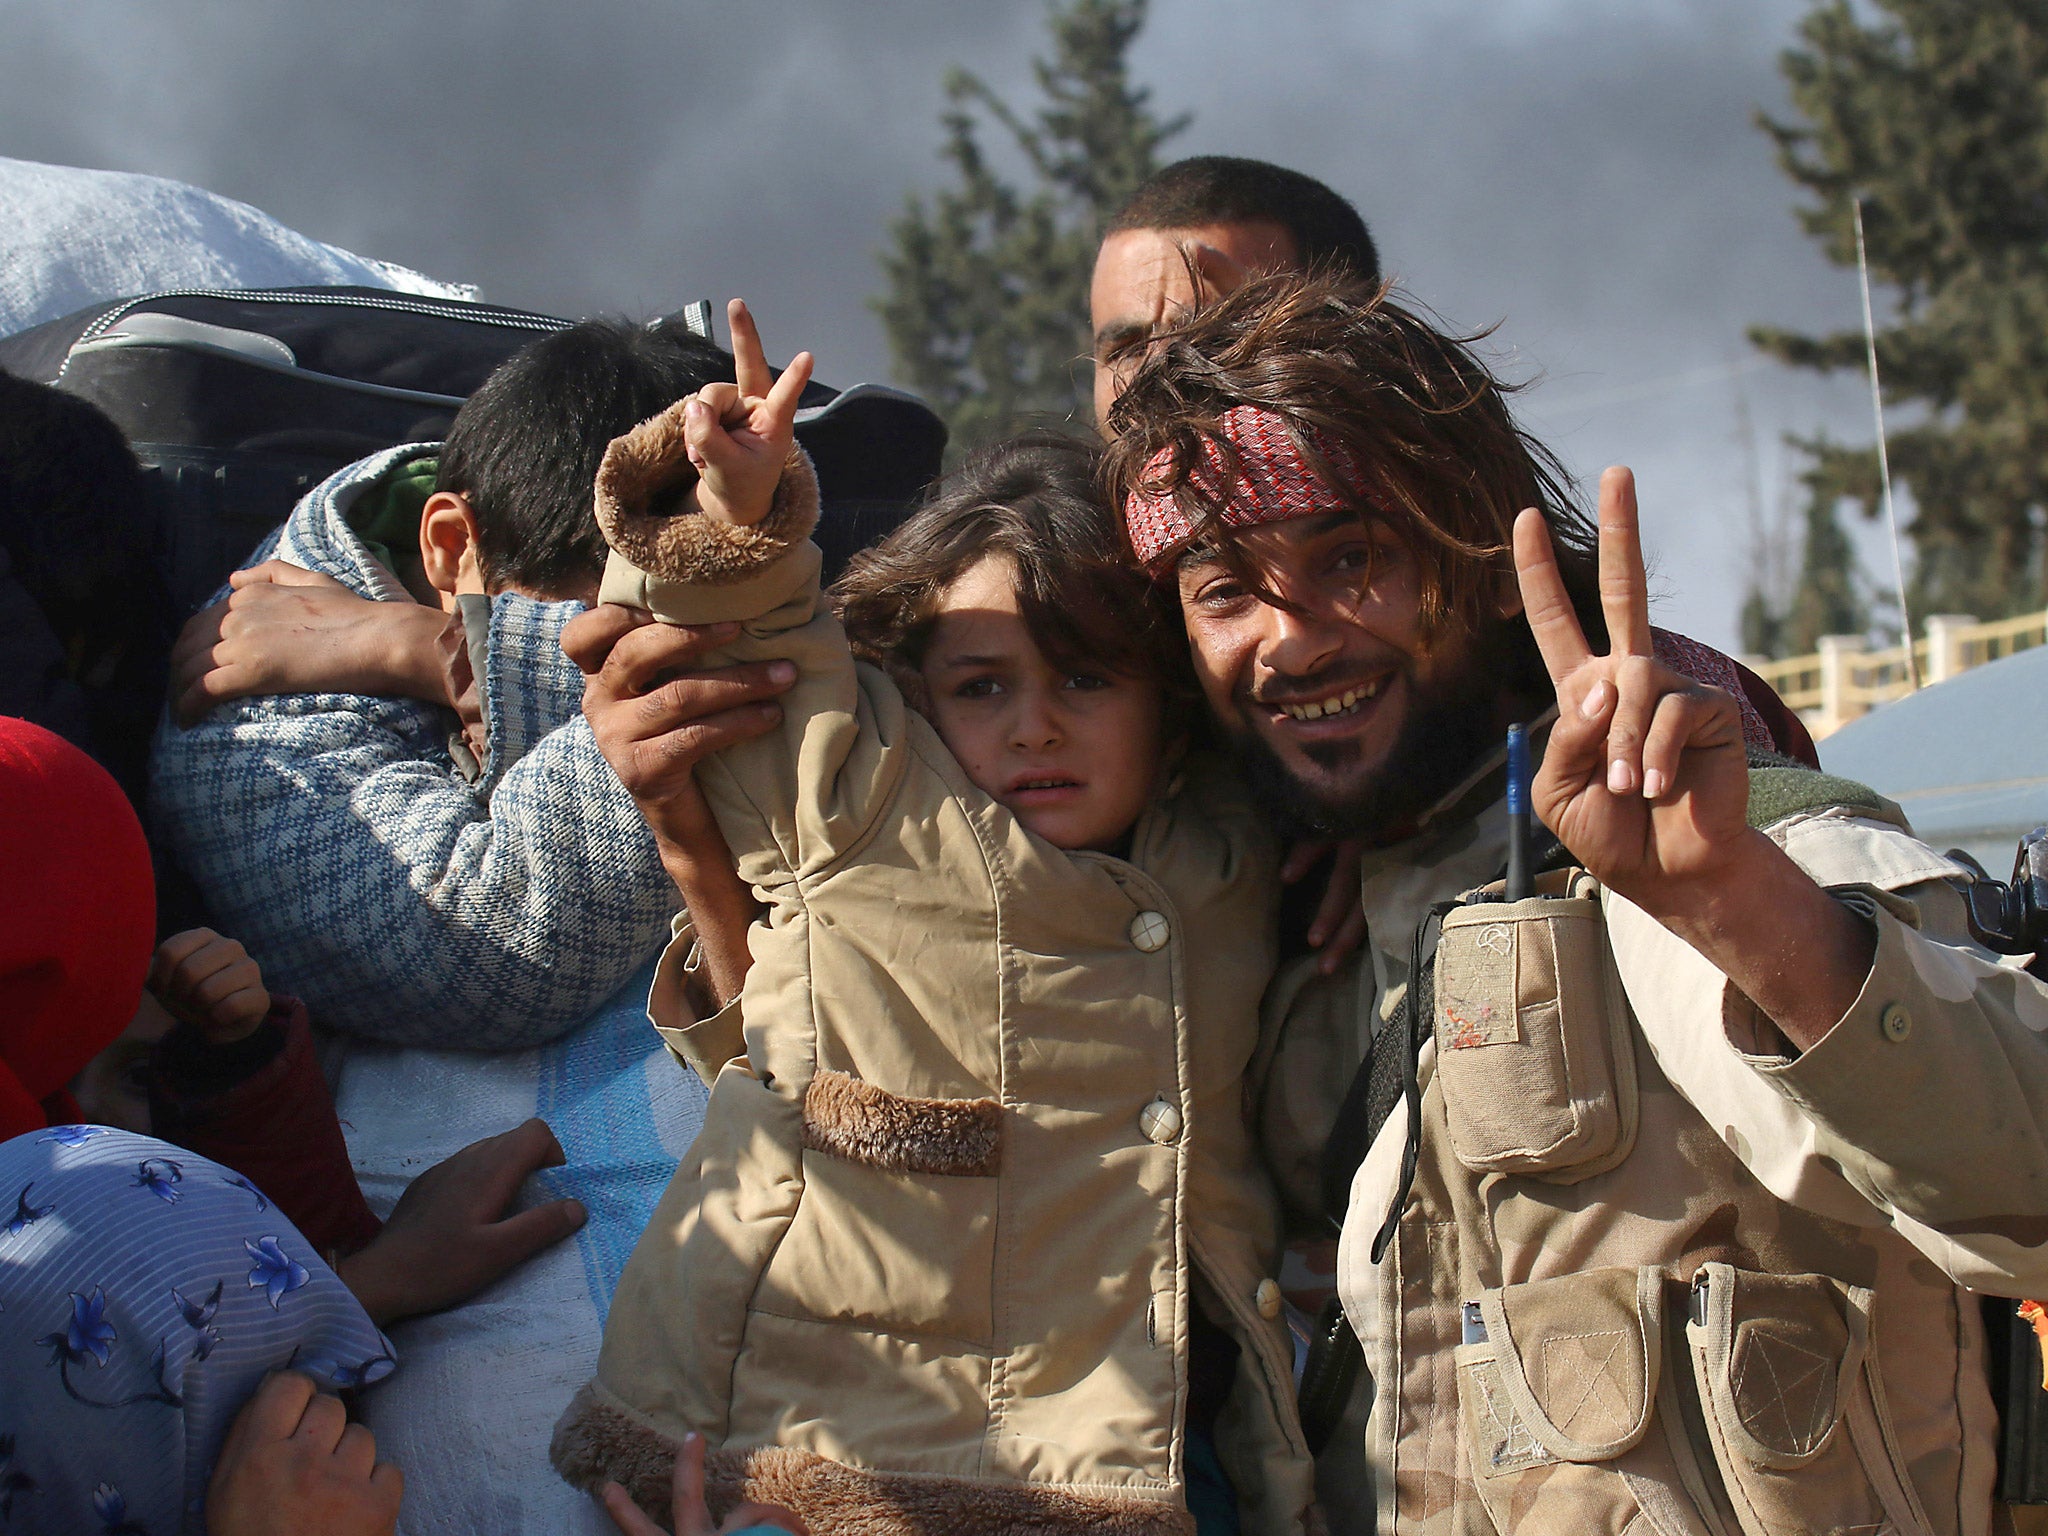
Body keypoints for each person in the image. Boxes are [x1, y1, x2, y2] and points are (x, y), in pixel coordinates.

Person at [1096, 270, 2048, 1532]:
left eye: (1351, 558)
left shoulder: (1713, 835)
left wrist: (1729, 903)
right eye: (1222, 590)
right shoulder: (1240, 926)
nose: (1292, 638)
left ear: (1496, 567)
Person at [550, 305, 1312, 1534]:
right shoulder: (869, 798)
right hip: (819, 1442)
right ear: (916, 694)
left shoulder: (1231, 837)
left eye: (1085, 676)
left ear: (1167, 702)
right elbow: (751, 635)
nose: (1033, 725)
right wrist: (736, 516)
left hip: (1147, 1443)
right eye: (981, 684)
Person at [149, 317, 730, 1045]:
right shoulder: (245, 734)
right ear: (451, 547)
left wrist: (431, 648)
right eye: (615, 630)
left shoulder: (485, 563)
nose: (653, 653)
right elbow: (493, 958)